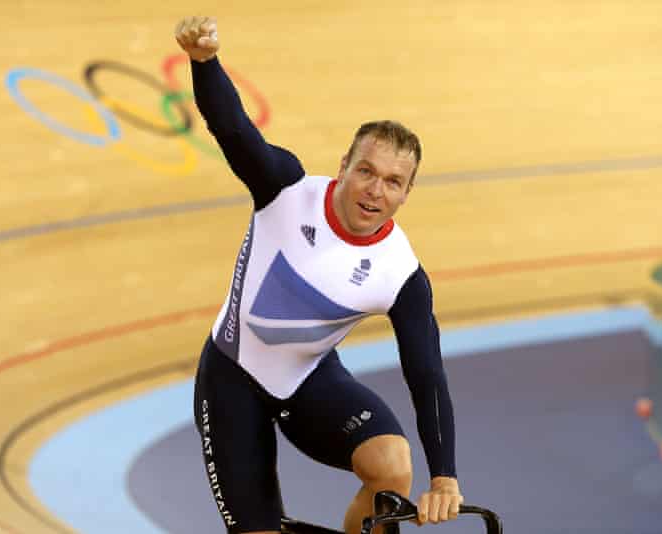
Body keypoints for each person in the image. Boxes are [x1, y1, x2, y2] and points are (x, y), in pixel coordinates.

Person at [176, 16, 463, 534]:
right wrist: (204, 62)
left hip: (307, 379)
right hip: (231, 378)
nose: (376, 191)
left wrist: (444, 477)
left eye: (393, 182)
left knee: (392, 468)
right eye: (367, 172)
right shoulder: (284, 189)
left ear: (406, 194)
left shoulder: (402, 273)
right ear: (344, 167)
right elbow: (235, 130)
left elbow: (426, 374)